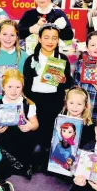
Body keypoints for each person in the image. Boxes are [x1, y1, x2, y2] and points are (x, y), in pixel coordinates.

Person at [23, 23, 73, 162]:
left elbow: (69, 82)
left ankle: (48, 160)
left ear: (58, 40)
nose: (50, 42)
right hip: (34, 99)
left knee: (51, 130)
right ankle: (31, 160)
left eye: (54, 38)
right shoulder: (31, 59)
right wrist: (27, 102)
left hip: (54, 100)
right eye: (46, 37)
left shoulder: (62, 59)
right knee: (34, 130)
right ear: (39, 39)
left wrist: (63, 80)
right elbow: (26, 84)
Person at [0, 69, 38, 179]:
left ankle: (21, 164)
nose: (14, 91)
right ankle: (16, 165)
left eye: (18, 87)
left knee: (29, 142)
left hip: (22, 140)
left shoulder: (28, 104)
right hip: (4, 141)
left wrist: (30, 125)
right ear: (3, 87)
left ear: (22, 87)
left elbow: (36, 124)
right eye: (9, 87)